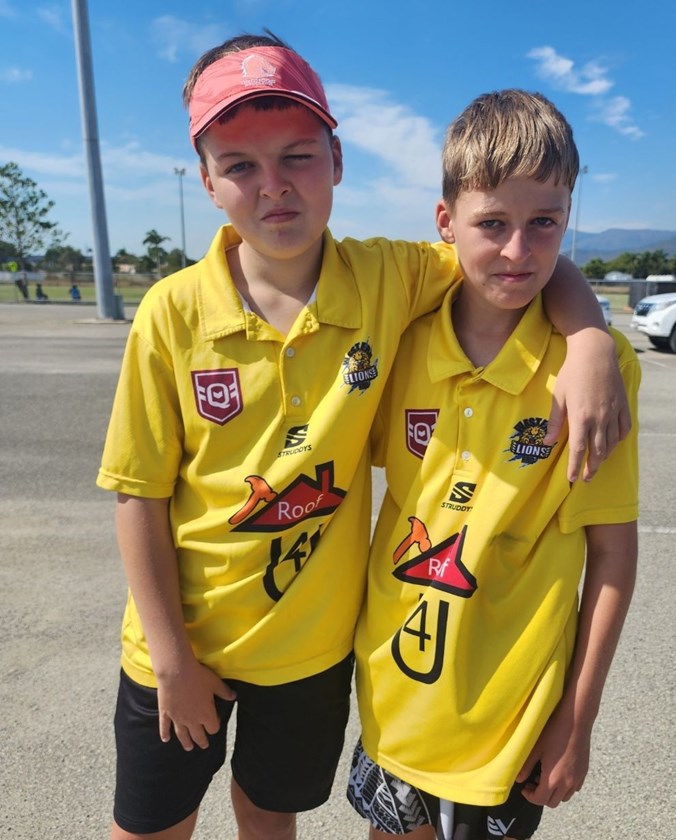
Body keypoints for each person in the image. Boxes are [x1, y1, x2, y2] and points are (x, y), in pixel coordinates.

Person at [97, 32, 629, 840]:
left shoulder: (390, 277)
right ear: (205, 180)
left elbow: (518, 245)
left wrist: (588, 339)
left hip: (310, 655)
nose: (274, 185)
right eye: (239, 165)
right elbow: (138, 495)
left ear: (337, 160)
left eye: (297, 156)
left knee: (267, 815)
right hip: (178, 648)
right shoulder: (170, 314)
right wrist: (171, 660)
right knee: (149, 827)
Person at [346, 89, 640, 840]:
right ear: (445, 222)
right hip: (394, 697)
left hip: (511, 717)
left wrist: (578, 717)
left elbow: (611, 553)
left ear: (568, 217)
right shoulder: (400, 339)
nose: (518, 251)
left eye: (545, 222)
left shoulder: (597, 373)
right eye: (492, 224)